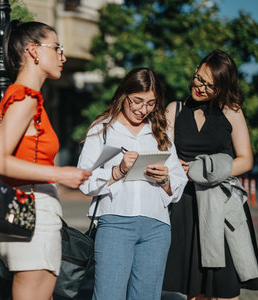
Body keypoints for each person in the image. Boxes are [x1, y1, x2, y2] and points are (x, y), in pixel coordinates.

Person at [0, 20, 92, 300]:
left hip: (20, 212)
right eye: (57, 48)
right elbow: (0, 164)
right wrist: (60, 174)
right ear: (33, 51)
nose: (63, 56)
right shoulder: (25, 99)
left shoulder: (16, 97)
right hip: (33, 214)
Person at [77, 67, 188, 300]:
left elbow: (178, 182)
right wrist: (118, 171)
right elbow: (84, 180)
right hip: (115, 223)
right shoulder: (103, 130)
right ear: (123, 95)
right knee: (108, 295)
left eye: (150, 103)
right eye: (137, 101)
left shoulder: (160, 134)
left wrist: (165, 178)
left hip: (157, 227)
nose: (142, 110)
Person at [163, 49, 258, 300]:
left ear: (222, 86)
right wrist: (176, 168)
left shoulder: (232, 111)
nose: (201, 87)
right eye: (199, 78)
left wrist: (199, 170)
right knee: (196, 293)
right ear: (196, 70)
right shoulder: (174, 110)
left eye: (210, 85)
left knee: (226, 291)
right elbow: (163, 155)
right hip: (185, 206)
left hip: (221, 204)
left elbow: (246, 160)